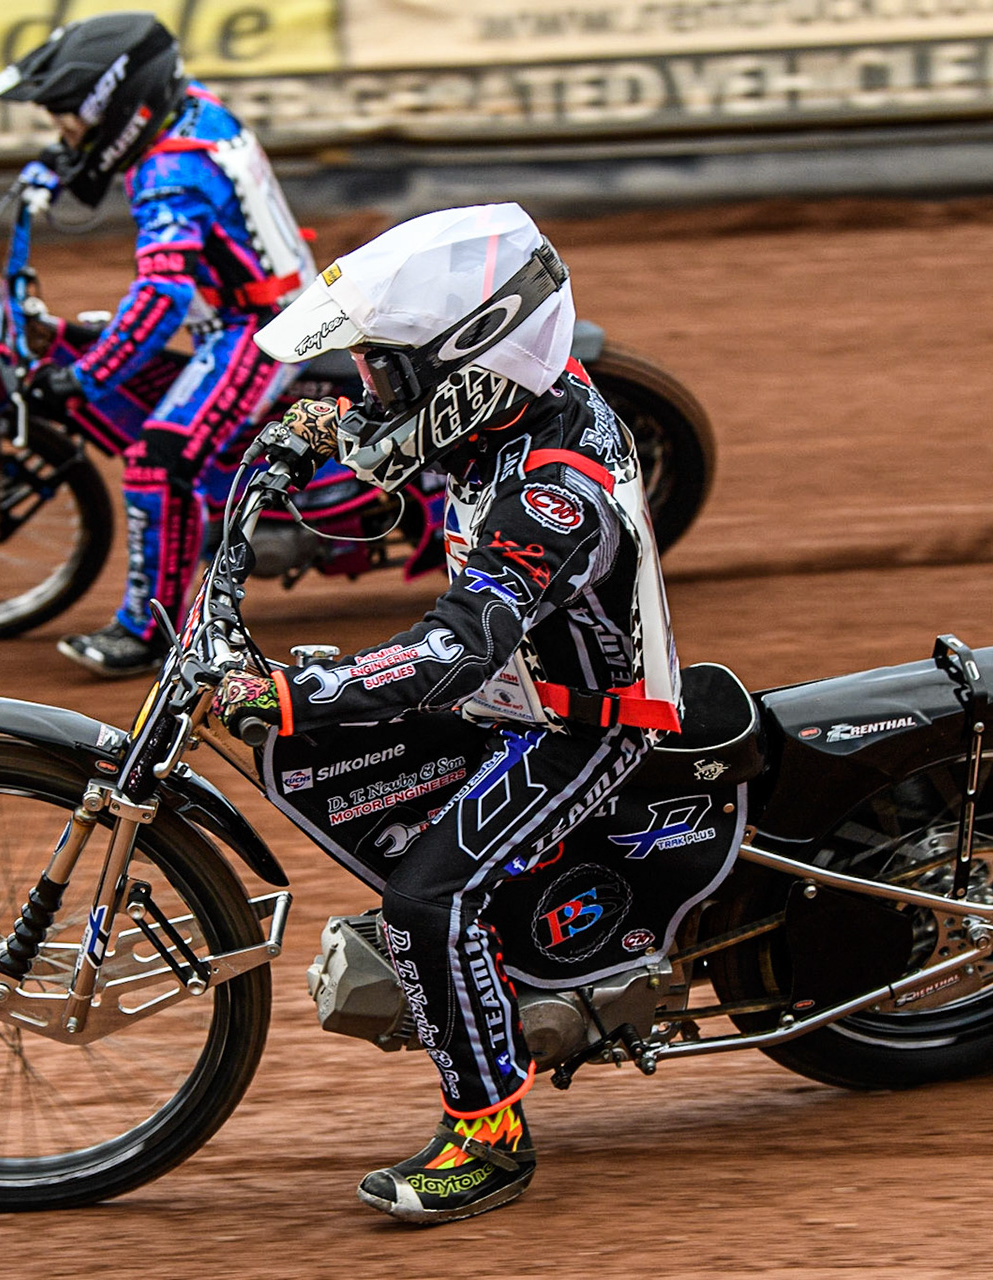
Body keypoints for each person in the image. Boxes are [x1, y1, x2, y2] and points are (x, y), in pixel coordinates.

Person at [210, 203, 683, 1224]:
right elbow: (414, 445)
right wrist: (320, 437)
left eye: (388, 369)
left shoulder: (559, 492)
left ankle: (490, 1136)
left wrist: (296, 691)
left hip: (585, 721)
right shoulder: (509, 404)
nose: (370, 387)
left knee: (430, 897)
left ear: (471, 363)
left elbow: (454, 647)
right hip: (512, 691)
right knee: (334, 743)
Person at [0, 12, 315, 676]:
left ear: (117, 106)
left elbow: (162, 295)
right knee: (104, 342)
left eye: (69, 117)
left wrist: (88, 376)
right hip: (246, 304)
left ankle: (150, 632)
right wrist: (64, 167)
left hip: (263, 329)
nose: (65, 133)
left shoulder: (172, 173)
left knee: (158, 458)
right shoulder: (187, 113)